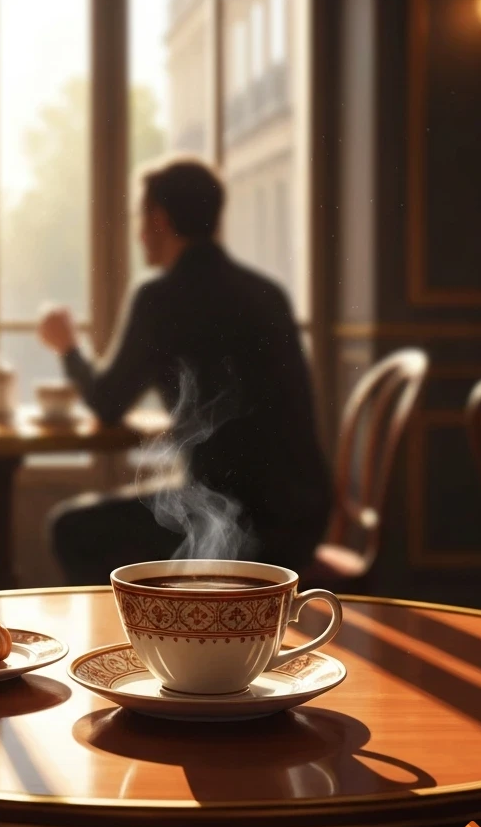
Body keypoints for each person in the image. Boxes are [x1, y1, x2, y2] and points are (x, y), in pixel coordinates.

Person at [38, 157, 331, 583]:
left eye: (142, 218)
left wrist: (68, 348)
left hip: (235, 522)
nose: (140, 234)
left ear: (159, 218)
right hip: (301, 519)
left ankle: (145, 639)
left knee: (73, 529)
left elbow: (107, 402)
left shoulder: (161, 298)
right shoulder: (266, 293)